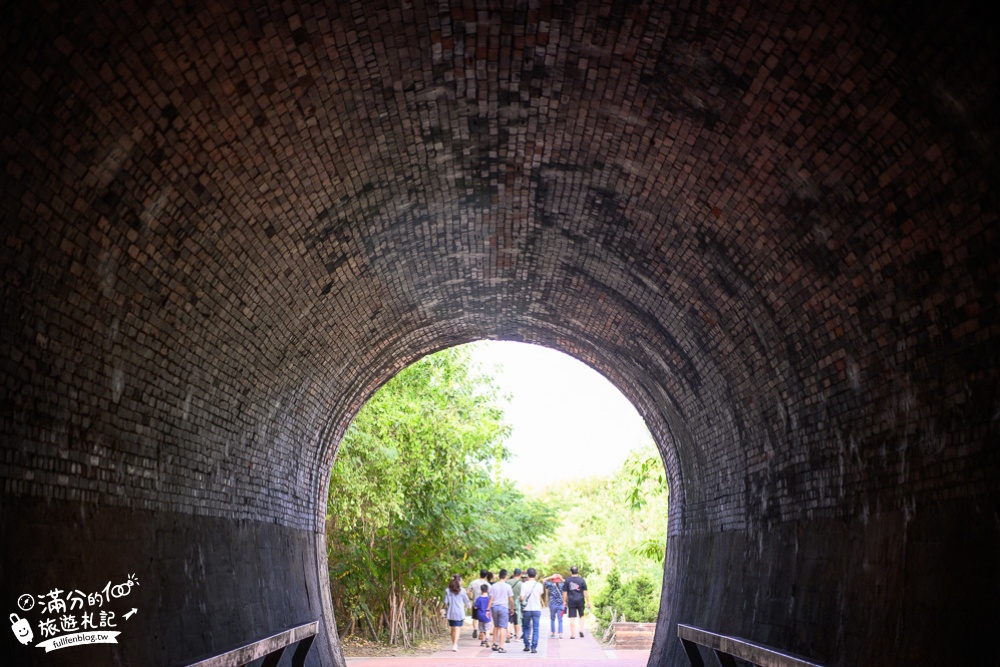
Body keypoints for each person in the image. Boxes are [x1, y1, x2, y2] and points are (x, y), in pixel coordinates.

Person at [488, 569, 514, 652]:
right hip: (503, 608)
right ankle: (501, 647)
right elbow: (511, 599)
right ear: (506, 576)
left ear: (499, 576)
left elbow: (491, 598)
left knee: (496, 626)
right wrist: (512, 608)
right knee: (503, 627)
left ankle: (495, 644)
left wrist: (487, 609)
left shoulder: (494, 586)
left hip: (494, 607)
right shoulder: (508, 586)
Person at [519, 567, 544, 653]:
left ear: (527, 575)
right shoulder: (539, 585)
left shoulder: (524, 584)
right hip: (537, 609)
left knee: (526, 627)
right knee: (536, 628)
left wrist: (521, 600)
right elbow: (540, 595)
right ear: (535, 575)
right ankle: (534, 647)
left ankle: (527, 645)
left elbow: (521, 598)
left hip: (526, 609)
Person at [562, 565, 591, 638]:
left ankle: (573, 634)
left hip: (571, 601)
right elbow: (585, 592)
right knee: (581, 616)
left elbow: (565, 592)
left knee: (572, 617)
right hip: (580, 600)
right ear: (577, 571)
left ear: (570, 572)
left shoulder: (567, 580)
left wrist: (564, 601)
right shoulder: (581, 580)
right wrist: (588, 601)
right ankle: (581, 630)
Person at [444, 575, 471, 652]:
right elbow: (466, 601)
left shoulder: (447, 590)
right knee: (457, 628)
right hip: (459, 611)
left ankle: (454, 644)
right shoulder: (462, 590)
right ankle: (455, 644)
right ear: (458, 581)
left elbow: (446, 602)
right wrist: (469, 606)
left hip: (451, 611)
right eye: (461, 580)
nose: (462, 582)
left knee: (453, 628)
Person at [468, 569, 490, 638]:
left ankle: (475, 629)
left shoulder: (473, 582)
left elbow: (467, 591)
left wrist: (470, 598)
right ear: (486, 576)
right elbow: (490, 593)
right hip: (484, 604)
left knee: (475, 618)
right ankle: (482, 633)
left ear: (479, 573)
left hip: (475, 602)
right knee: (483, 619)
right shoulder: (487, 584)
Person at [542, 572, 565, 638]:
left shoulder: (551, 585)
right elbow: (568, 582)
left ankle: (553, 632)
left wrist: (551, 577)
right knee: (560, 619)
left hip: (552, 604)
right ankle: (560, 633)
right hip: (560, 604)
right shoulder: (562, 585)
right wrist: (561, 578)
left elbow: (543, 580)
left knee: (552, 619)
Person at [509, 568, 523, 641]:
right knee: (517, 622)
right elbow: (522, 596)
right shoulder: (521, 584)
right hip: (517, 606)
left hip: (508, 605)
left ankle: (508, 633)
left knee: (509, 621)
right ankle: (517, 637)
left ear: (513, 574)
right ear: (520, 575)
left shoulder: (507, 582)